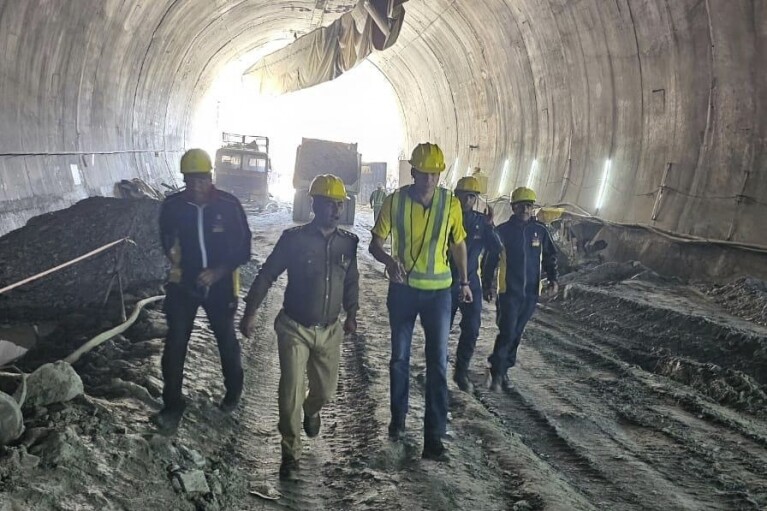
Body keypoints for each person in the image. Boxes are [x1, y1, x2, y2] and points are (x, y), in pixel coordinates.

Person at [239, 174, 359, 480]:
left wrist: (353, 312)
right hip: (294, 327)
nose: (334, 209)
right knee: (290, 391)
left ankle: (312, 409)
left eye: (338, 204)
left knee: (326, 392)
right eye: (328, 203)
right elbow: (267, 274)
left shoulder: (349, 243)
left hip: (330, 330)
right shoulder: (294, 240)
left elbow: (352, 280)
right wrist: (250, 311)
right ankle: (290, 455)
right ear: (314, 204)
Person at [369, 142, 471, 462]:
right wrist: (387, 260)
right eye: (424, 173)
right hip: (402, 292)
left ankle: (434, 439)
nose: (429, 179)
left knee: (437, 365)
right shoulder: (394, 202)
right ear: (412, 172)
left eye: (435, 174)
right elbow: (375, 244)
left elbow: (458, 245)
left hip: (439, 295)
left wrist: (465, 282)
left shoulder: (450, 204)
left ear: (441, 175)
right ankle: (398, 421)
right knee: (399, 359)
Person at [153, 148, 252, 431]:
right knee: (175, 344)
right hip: (183, 283)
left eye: (201, 179)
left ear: (210, 178)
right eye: (190, 180)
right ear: (183, 179)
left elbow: (244, 249)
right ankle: (172, 404)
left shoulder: (228, 206)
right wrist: (172, 254)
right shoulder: (173, 206)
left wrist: (218, 271)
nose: (195, 186)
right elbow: (166, 236)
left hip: (221, 285)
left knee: (225, 340)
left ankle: (233, 392)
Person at [482, 187, 558, 391]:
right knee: (507, 331)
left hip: (531, 292)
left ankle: (503, 369)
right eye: (522, 205)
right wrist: (487, 283)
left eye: (529, 205)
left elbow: (550, 257)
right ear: (513, 207)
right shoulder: (503, 232)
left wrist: (553, 280)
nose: (526, 208)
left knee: (516, 333)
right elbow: (490, 260)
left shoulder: (540, 231)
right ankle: (496, 371)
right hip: (508, 292)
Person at [450, 176, 502, 393]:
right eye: (464, 195)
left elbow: (496, 248)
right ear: (457, 196)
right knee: (440, 329)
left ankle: (461, 371)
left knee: (471, 328)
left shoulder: (481, 222)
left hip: (472, 281)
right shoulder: (445, 218)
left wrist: (491, 227)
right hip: (445, 281)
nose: (468, 200)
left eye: (472, 196)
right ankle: (435, 371)